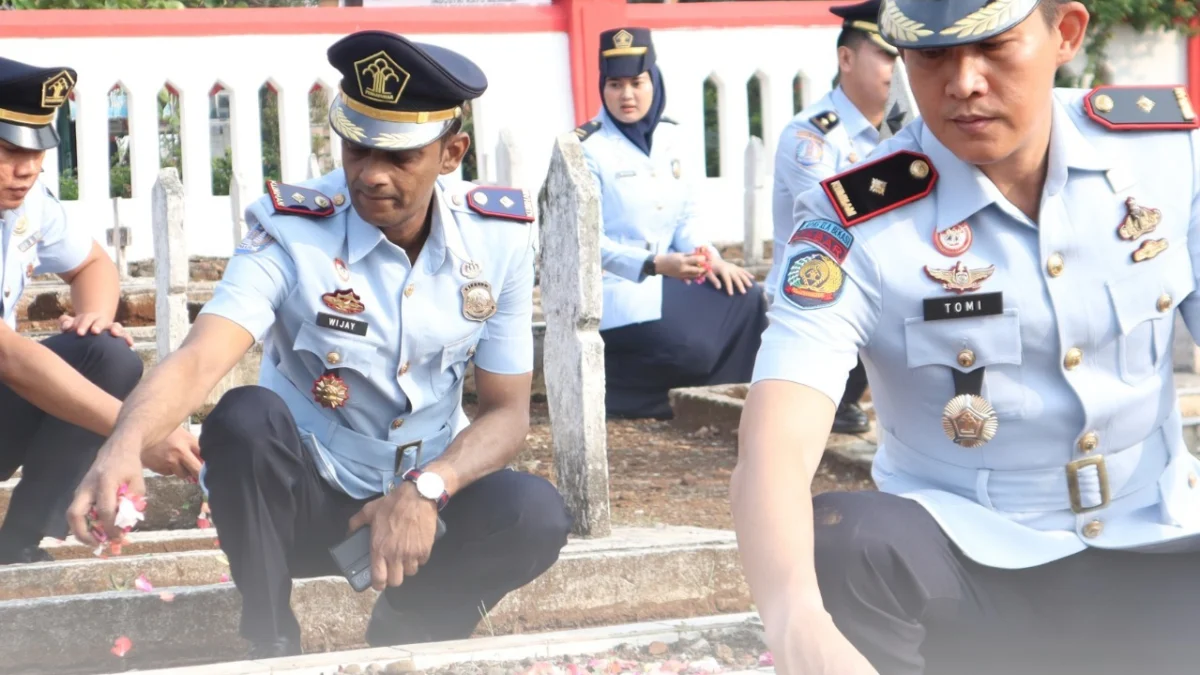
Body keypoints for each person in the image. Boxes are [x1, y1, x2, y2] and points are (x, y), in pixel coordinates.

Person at [67, 30, 572, 657]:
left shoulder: (497, 239)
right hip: (304, 499)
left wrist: (427, 488)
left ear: (451, 153)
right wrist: (122, 447)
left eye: (399, 157)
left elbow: (507, 410)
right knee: (244, 418)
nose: (370, 175)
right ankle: (270, 637)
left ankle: (412, 627)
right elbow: (201, 358)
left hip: (422, 503)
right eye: (357, 149)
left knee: (535, 513)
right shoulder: (291, 231)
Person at [732, 0, 1200, 672]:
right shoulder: (857, 218)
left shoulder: (1165, 158)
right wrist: (794, 615)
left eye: (995, 48)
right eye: (932, 55)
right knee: (844, 540)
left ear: (1064, 33)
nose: (964, 82)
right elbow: (775, 441)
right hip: (973, 571)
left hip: (1158, 542)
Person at [0, 56, 198, 565]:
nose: (24, 170)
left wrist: (94, 314)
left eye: (36, 152)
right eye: (6, 150)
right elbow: (9, 357)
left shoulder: (26, 202)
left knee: (107, 354)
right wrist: (136, 433)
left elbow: (92, 263)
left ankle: (17, 541)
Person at [576, 27, 767, 420]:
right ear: (602, 87)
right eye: (615, 84)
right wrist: (654, 265)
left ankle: (719, 402)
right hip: (618, 288)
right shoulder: (586, 150)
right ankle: (642, 399)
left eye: (636, 82)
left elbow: (686, 218)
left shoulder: (671, 138)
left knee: (746, 297)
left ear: (653, 81)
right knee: (690, 342)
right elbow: (585, 242)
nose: (626, 95)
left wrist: (709, 258)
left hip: (672, 276)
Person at [765, 0, 899, 435]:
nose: (899, 69)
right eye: (887, 55)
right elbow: (841, 213)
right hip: (820, 293)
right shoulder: (809, 136)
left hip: (885, 291)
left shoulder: (906, 128)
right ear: (846, 58)